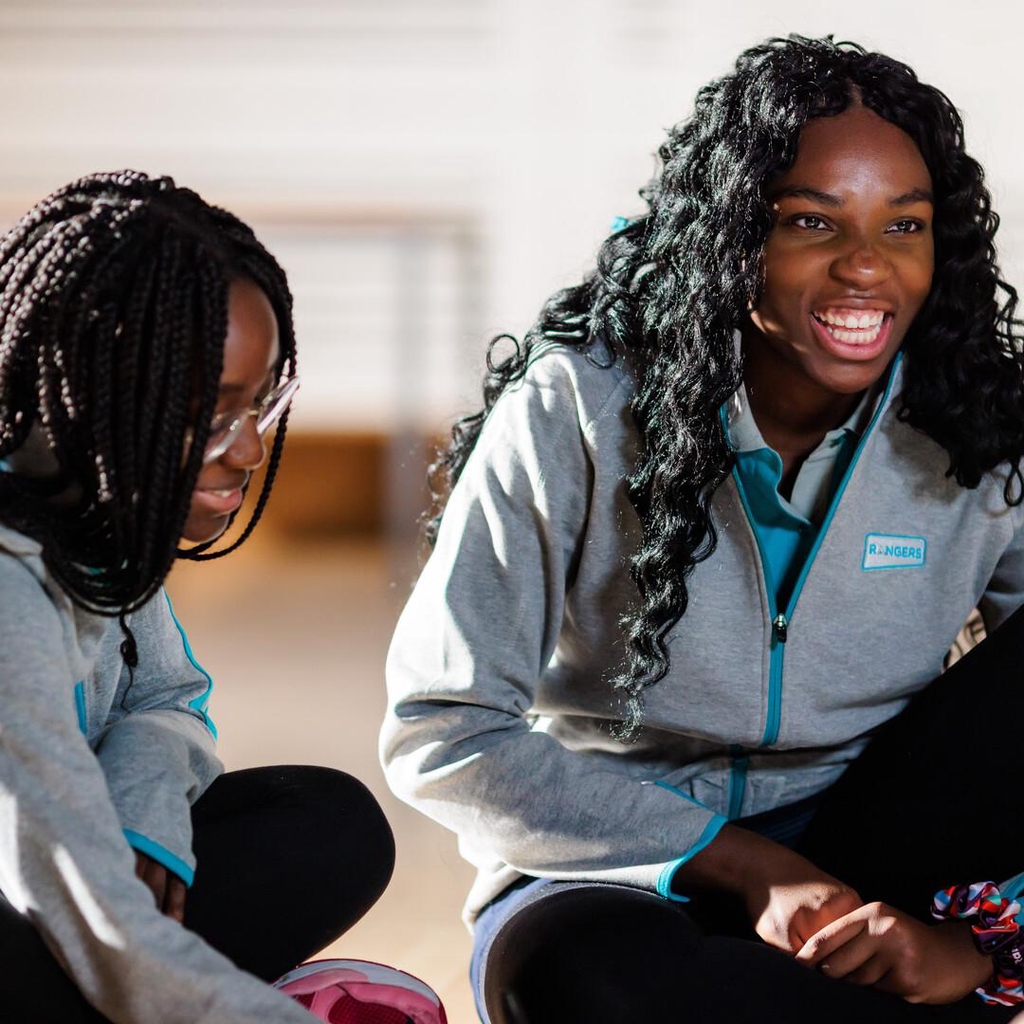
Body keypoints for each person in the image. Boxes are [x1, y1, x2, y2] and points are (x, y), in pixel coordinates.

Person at [381, 35, 1024, 1023]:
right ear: (731, 235)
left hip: (868, 835)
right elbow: (442, 728)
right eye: (812, 221)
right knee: (579, 983)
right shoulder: (579, 406)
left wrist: (982, 944)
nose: (865, 267)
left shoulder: (976, 419)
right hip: (611, 868)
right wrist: (746, 867)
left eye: (904, 226)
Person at [0, 171, 398, 1023]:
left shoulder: (98, 518)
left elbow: (171, 696)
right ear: (84, 396)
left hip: (73, 876)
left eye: (260, 404)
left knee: (331, 823)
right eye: (212, 415)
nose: (250, 451)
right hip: (34, 904)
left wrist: (148, 816)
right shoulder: (7, 587)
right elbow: (91, 918)